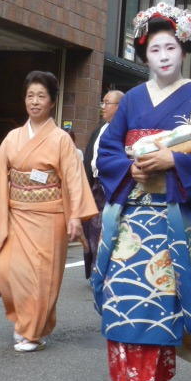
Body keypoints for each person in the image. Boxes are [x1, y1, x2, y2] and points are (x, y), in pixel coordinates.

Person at [91, 3, 191, 381]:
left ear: (183, 50)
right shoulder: (131, 99)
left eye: (170, 47)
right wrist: (127, 169)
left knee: (157, 304)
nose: (164, 55)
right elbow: (108, 150)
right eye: (155, 49)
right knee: (120, 300)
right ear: (143, 55)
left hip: (169, 220)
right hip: (128, 217)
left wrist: (172, 159)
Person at [0, 71, 98, 352]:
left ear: (52, 101)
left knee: (41, 277)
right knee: (6, 272)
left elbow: (74, 178)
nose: (34, 101)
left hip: (49, 216)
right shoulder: (13, 137)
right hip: (16, 213)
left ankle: (32, 331)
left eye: (41, 96)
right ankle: (26, 322)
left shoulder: (61, 139)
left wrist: (76, 216)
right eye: (30, 96)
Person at [82, 90, 124, 278]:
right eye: (103, 102)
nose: (103, 107)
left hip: (111, 187)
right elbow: (88, 159)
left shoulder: (125, 130)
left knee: (105, 229)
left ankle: (104, 270)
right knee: (90, 227)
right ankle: (93, 269)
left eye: (107, 103)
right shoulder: (99, 129)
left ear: (119, 106)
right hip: (95, 184)